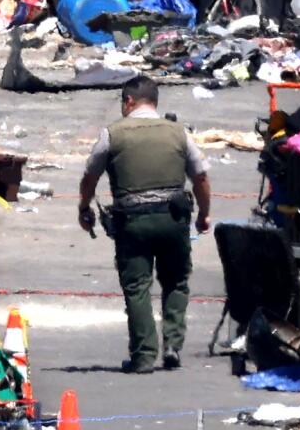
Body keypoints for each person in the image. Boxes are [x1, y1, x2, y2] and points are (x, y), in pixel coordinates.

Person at [77, 76, 213, 373]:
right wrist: (204, 214)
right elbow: (200, 176)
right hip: (173, 219)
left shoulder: (112, 134)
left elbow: (90, 176)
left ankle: (144, 356)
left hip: (132, 222)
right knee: (176, 281)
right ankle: (173, 345)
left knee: (137, 287)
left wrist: (84, 207)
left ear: (128, 101)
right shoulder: (178, 132)